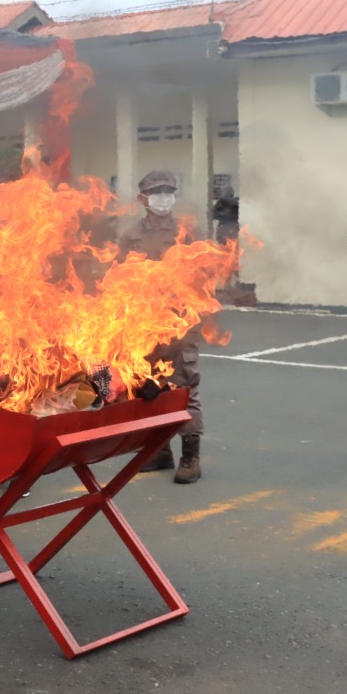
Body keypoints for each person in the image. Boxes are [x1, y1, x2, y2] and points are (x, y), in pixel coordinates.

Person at [123, 169, 205, 484]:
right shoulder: (131, 236)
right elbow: (122, 280)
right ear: (144, 199)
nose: (163, 199)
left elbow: (202, 276)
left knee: (185, 390)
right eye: (156, 193)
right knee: (149, 390)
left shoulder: (189, 232)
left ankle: (190, 457)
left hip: (180, 324)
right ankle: (159, 452)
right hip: (145, 326)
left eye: (168, 193)